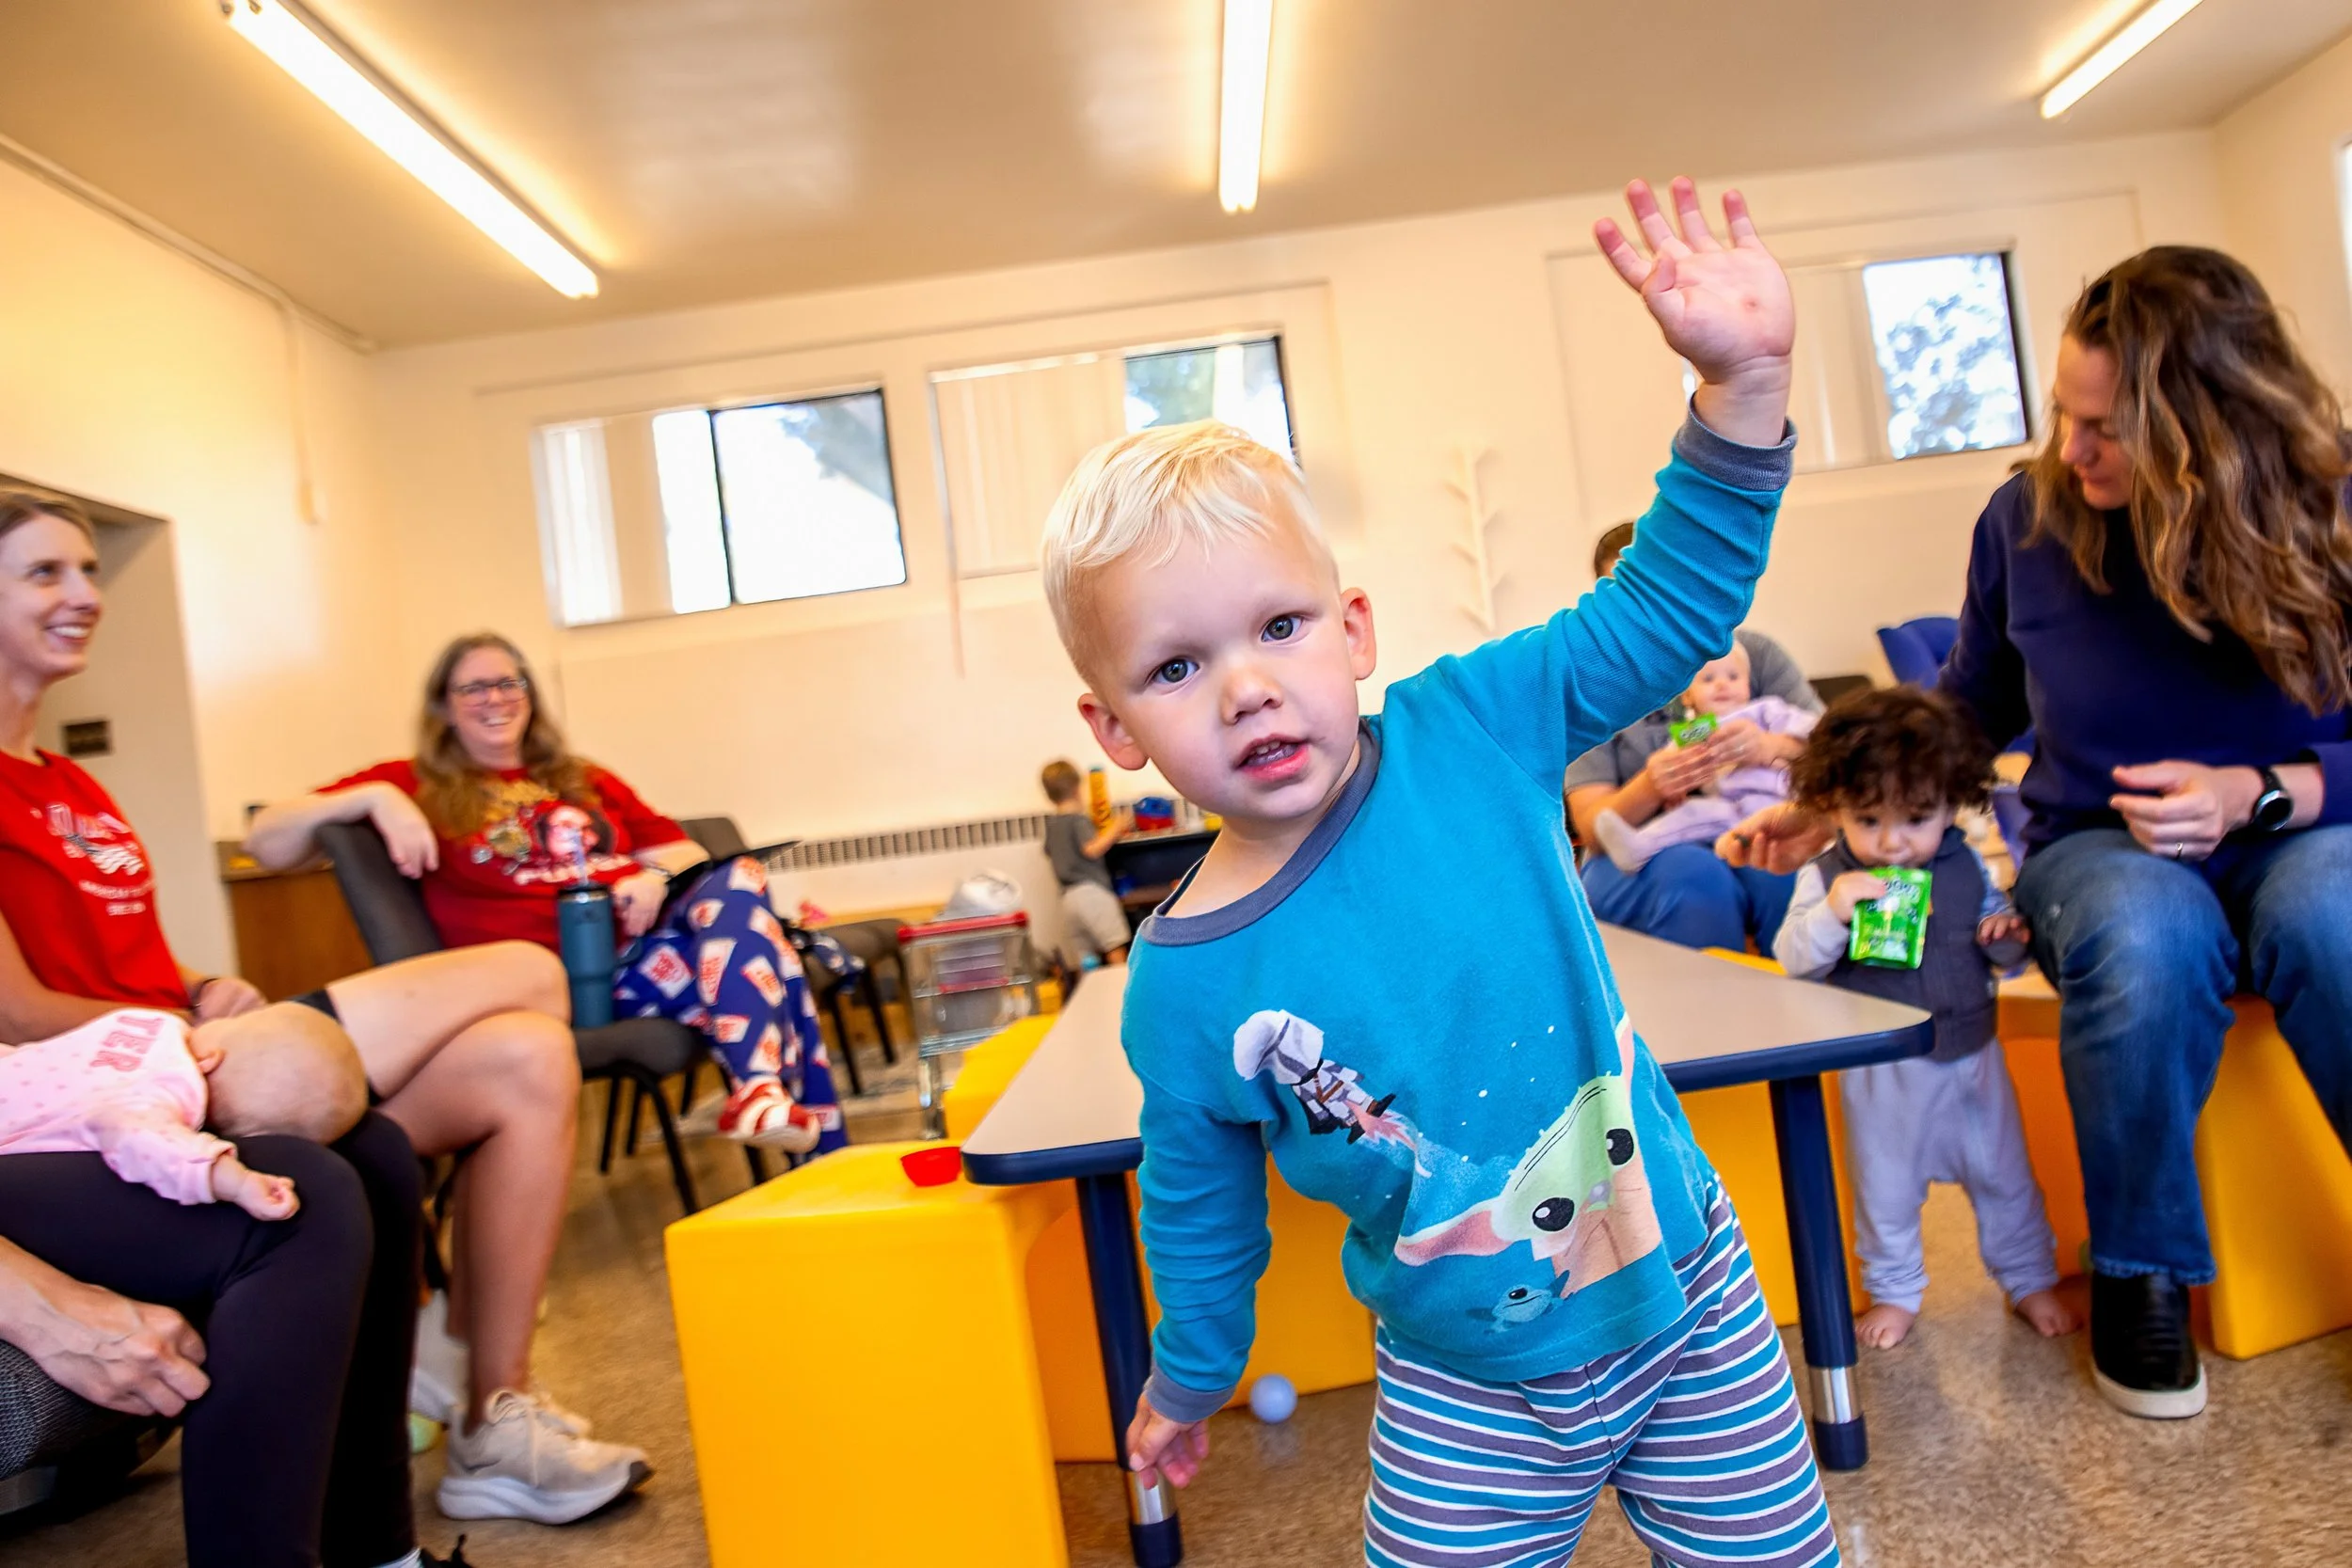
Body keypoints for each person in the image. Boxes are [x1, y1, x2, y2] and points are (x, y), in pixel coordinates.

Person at [1045, 179, 1836, 1565]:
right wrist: (1187, 1376)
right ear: (1115, 732)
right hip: (1465, 1386)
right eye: (1174, 666)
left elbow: (1665, 609)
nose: (1245, 687)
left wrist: (1744, 391)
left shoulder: (1475, 724)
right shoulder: (1181, 989)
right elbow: (1197, 1209)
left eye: (1278, 626)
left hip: (1689, 1295)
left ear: (1353, 630)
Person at [1724, 245, 2352, 1421]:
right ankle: (2138, 1272)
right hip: (2098, 847)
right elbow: (1970, 704)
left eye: (2107, 427)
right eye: (2064, 414)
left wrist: (2254, 793)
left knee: (2334, 912)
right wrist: (1833, 798)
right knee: (2143, 930)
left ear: (2212, 428)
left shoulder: (2332, 506)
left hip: (2306, 826)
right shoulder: (2026, 520)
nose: (2072, 448)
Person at [0, 493, 645, 1528]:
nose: (85, 592)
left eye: (88, 568)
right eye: (46, 572)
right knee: (531, 973)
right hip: (120, 1087)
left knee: (529, 1053)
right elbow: (20, 1012)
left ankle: (494, 1414)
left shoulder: (72, 783)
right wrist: (186, 1031)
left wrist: (200, 986)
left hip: (181, 1041)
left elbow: (132, 962)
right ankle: (438, 1362)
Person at [248, 634, 846, 1156]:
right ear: (443, 707)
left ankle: (765, 1099)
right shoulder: (413, 782)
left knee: (744, 891)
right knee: (768, 962)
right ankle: (790, 1124)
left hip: (639, 962)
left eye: (509, 683)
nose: (495, 698)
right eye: (473, 688)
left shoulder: (580, 778)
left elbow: (686, 855)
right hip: (549, 984)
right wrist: (373, 798)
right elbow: (266, 839)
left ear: (529, 694)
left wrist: (652, 878)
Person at [1771, 688, 2074, 1350]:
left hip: (1974, 1057)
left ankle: (2028, 1277)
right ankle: (1896, 1290)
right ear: (1832, 806)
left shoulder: (1966, 865)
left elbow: (2004, 950)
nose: (1891, 842)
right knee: (1884, 1190)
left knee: (2006, 1178)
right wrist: (1835, 912)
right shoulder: (1827, 877)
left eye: (1915, 819)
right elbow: (1793, 959)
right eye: (1868, 819)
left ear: (1950, 803)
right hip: (1883, 1073)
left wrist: (2005, 938)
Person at [1568, 521, 1820, 949]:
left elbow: (1839, 757)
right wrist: (1651, 786)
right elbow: (1592, 827)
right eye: (1627, 594)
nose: (1648, 607)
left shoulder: (1749, 655)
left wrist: (1768, 747)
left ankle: (1803, 990)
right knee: (1697, 879)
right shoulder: (1592, 685)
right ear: (1603, 603)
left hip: (1751, 820)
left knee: (1779, 869)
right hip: (1636, 850)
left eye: (1658, 585)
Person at [0, 1003, 368, 1218]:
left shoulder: (147, 1024)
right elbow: (146, 1141)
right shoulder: (160, 1088)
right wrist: (236, 1182)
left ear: (209, 1059)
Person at [1587, 640, 1816, 874]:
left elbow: (1816, 731)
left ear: (1748, 685)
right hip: (1729, 805)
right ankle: (1639, 847)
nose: (1722, 685)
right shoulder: (1699, 729)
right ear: (1687, 696)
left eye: (1733, 677)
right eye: (1708, 679)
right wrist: (1672, 788)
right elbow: (1672, 760)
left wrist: (1769, 744)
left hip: (1776, 799)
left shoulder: (1764, 710)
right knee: (1690, 813)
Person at [1040, 759, 1131, 968]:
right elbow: (1092, 848)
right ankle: (1121, 985)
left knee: (1087, 959)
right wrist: (1117, 827)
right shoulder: (1078, 820)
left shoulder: (1052, 825)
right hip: (1092, 893)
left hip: (1068, 898)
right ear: (1076, 789)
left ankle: (1090, 988)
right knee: (1114, 945)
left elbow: (1048, 851)